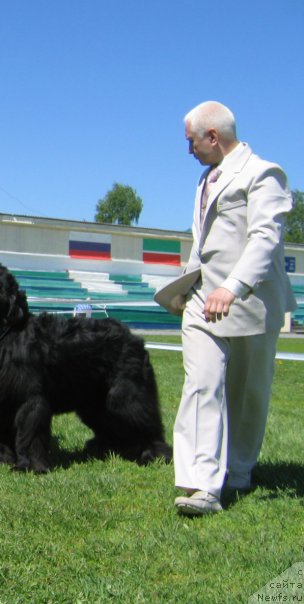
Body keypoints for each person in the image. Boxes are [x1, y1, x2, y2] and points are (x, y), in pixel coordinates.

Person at [172, 101, 297, 516]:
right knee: (201, 384)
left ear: (213, 136)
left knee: (248, 394)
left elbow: (265, 238)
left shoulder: (264, 173)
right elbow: (204, 243)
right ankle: (202, 485)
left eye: (191, 141)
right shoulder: (204, 179)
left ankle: (240, 469)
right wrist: (184, 288)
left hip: (250, 303)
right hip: (200, 302)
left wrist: (233, 286)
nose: (188, 150)